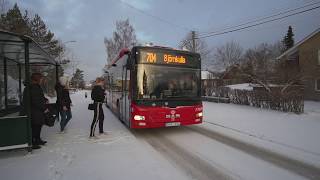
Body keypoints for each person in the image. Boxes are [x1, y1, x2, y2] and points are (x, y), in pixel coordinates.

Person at [22, 73, 48, 149]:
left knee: (38, 125)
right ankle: (33, 142)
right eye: (41, 79)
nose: (42, 80)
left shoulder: (35, 86)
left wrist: (45, 99)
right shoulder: (33, 87)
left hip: (36, 110)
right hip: (34, 111)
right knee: (35, 126)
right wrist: (44, 108)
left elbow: (39, 97)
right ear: (37, 79)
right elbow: (35, 101)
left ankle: (38, 139)